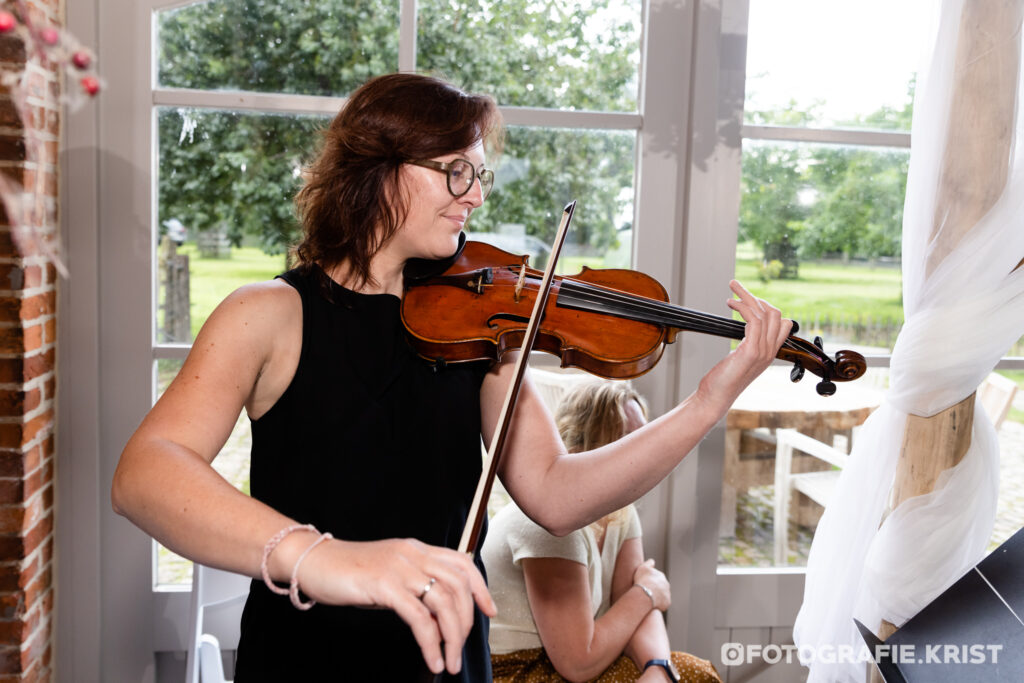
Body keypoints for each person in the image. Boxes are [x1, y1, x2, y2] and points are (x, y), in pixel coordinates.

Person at [111, 72, 791, 681]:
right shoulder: (269, 315)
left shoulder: (474, 328)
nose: (474, 197)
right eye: (454, 172)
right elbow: (144, 473)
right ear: (378, 167)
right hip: (307, 657)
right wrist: (324, 557)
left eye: (480, 176)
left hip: (448, 662)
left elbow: (557, 494)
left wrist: (709, 401)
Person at [483, 381, 721, 682]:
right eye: (627, 443)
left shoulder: (621, 510)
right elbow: (578, 664)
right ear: (586, 449)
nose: (646, 457)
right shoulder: (553, 522)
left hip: (577, 659)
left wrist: (657, 668)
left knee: (689, 673)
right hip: (516, 670)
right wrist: (648, 593)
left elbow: (632, 608)